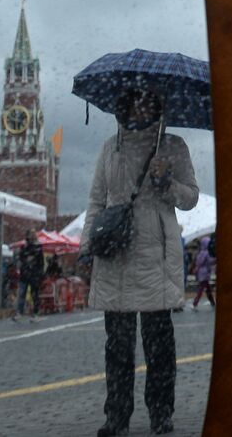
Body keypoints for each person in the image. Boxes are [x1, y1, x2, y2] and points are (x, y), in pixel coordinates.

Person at [85, 88, 198, 437]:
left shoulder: (174, 145)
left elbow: (190, 197)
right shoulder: (110, 147)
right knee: (117, 345)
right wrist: (86, 244)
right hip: (116, 250)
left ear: (159, 105)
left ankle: (161, 413)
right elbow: (96, 200)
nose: (141, 106)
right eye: (134, 100)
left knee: (159, 344)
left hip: (155, 252)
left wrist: (166, 182)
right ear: (123, 104)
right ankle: (116, 416)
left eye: (148, 101)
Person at [14, 229, 44, 321]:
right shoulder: (24, 247)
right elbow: (21, 258)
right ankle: (19, 313)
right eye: (30, 235)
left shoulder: (38, 247)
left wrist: (39, 274)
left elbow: (40, 262)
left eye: (32, 235)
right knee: (22, 293)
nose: (31, 237)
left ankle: (35, 313)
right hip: (25, 274)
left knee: (34, 294)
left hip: (33, 274)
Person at [191, 236, 216, 310]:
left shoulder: (201, 252)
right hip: (205, 273)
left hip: (202, 273)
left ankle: (212, 302)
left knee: (207, 288)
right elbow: (210, 261)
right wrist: (215, 260)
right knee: (201, 289)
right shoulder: (206, 253)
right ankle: (195, 302)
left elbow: (198, 262)